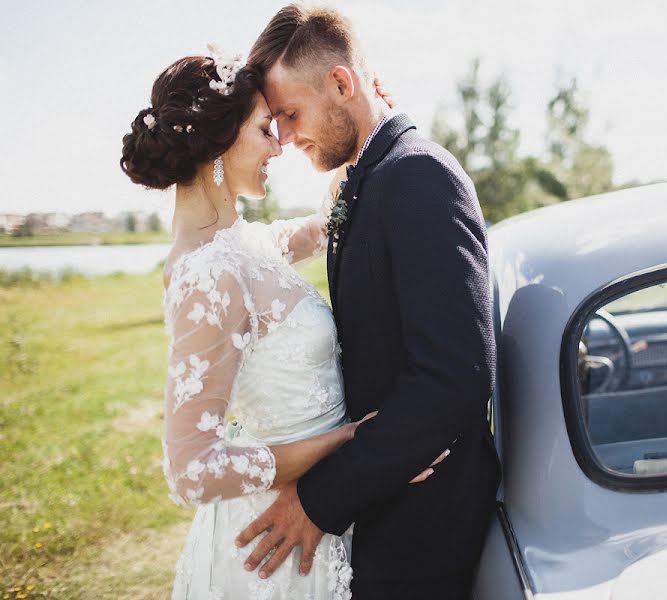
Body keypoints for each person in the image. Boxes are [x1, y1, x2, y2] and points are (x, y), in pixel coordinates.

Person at [120, 45, 437, 599]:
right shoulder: (208, 275)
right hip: (276, 544)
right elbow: (192, 468)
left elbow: (326, 222)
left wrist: (365, 126)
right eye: (267, 129)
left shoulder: (244, 244)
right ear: (219, 143)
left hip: (322, 513)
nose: (279, 145)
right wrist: (352, 444)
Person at [235, 4, 501, 599]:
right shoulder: (372, 178)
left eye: (290, 113)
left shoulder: (419, 177)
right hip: (385, 509)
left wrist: (322, 500)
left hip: (423, 528)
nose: (284, 135)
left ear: (340, 83)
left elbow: (454, 376)